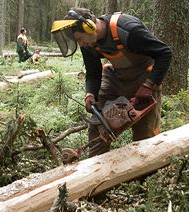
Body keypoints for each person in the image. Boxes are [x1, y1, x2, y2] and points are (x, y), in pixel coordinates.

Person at [51, 8, 172, 157]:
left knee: (145, 134)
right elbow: (93, 72)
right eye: (78, 42)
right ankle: (94, 165)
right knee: (98, 122)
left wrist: (149, 84)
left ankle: (144, 174)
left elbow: (164, 53)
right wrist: (90, 94)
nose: (81, 44)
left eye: (80, 39)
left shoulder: (127, 29)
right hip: (117, 77)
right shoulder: (88, 43)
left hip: (143, 78)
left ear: (89, 26)